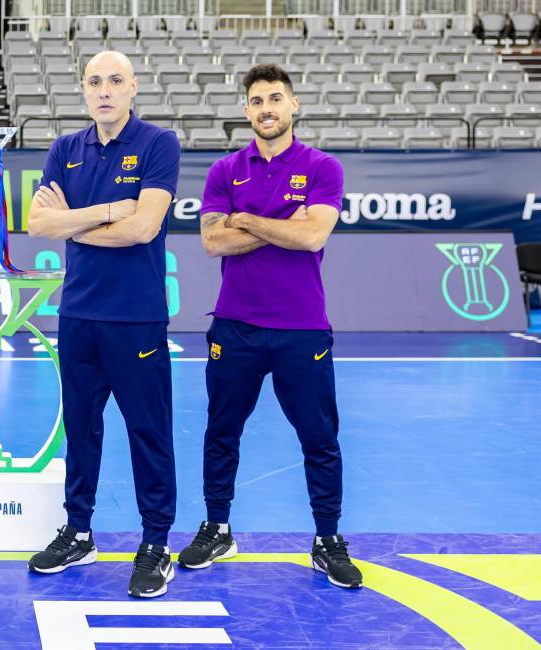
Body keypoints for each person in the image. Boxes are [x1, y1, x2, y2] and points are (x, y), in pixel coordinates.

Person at [179, 63, 362, 589]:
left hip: (302, 328)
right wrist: (286, 220)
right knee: (221, 432)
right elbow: (213, 241)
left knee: (319, 437)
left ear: (293, 105)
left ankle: (327, 539)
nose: (266, 109)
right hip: (235, 326)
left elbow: (312, 239)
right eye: (257, 101)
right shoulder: (223, 171)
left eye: (276, 98)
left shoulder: (323, 167)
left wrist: (248, 219)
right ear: (246, 111)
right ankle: (217, 528)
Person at [26, 51, 181, 598]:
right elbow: (37, 222)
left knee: (149, 431)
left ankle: (156, 541)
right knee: (82, 429)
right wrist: (111, 209)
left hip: (135, 318)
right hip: (78, 317)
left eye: (115, 81)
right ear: (85, 91)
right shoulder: (66, 148)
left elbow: (144, 230)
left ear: (133, 88)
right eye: (95, 82)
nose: (105, 90)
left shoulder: (159, 144)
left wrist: (75, 222)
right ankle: (79, 530)